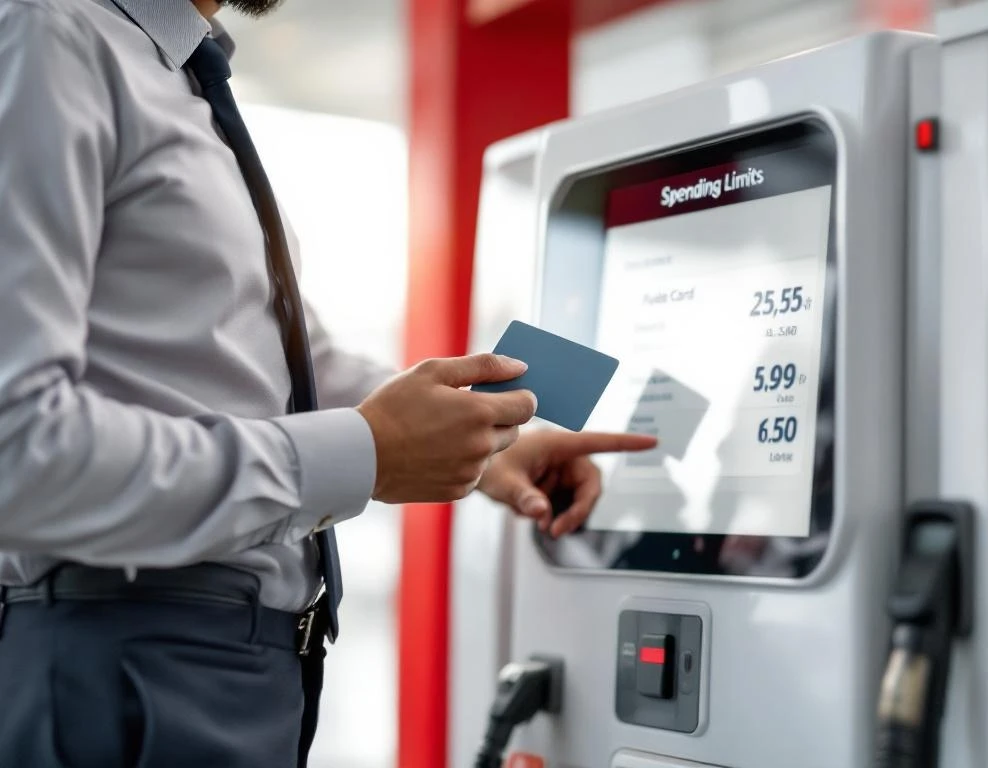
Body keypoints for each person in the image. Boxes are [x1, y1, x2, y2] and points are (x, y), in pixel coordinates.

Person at [0, 0, 655, 766]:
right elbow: (17, 450)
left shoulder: (181, 79)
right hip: (123, 669)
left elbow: (273, 364)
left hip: (237, 670)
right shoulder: (49, 34)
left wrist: (482, 436)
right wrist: (363, 452)